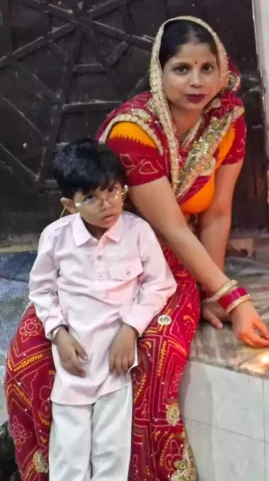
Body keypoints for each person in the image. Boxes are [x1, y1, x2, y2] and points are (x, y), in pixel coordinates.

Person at [4, 16, 269, 481]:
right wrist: (235, 297)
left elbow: (217, 214)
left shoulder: (228, 117)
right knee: (28, 362)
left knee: (149, 363)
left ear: (222, 69)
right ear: (159, 72)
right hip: (114, 247)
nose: (196, 81)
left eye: (207, 68)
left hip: (163, 264)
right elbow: (169, 227)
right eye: (181, 69)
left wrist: (214, 289)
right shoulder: (135, 132)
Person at [32, 139, 176, 480]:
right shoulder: (55, 237)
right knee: (69, 459)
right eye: (91, 198)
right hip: (74, 364)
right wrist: (58, 334)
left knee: (112, 457)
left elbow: (160, 284)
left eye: (113, 191)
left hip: (116, 365)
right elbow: (41, 289)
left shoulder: (137, 232)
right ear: (70, 204)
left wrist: (130, 329)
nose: (107, 205)